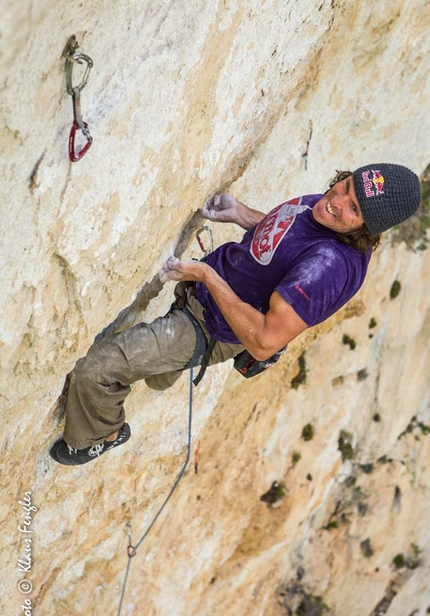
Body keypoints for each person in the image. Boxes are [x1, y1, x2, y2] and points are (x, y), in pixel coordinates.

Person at [50, 163, 421, 465]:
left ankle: (101, 435)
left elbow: (263, 341)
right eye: (346, 186)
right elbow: (287, 239)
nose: (335, 201)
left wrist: (206, 276)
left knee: (96, 370)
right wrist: (244, 216)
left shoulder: (327, 266)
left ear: (366, 228)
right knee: (155, 371)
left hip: (211, 328)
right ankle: (164, 369)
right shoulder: (326, 212)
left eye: (353, 207)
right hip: (205, 299)